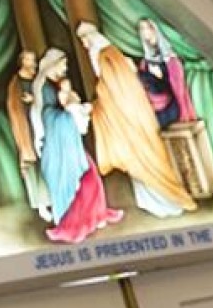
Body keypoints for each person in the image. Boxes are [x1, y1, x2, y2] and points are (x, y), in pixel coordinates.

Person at [76, 21, 197, 218]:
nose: (84, 44)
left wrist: (98, 106)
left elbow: (115, 91)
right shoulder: (108, 58)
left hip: (132, 119)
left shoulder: (108, 59)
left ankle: (166, 201)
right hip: (129, 119)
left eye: (85, 39)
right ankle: (152, 202)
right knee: (137, 161)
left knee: (146, 160)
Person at [31, 48, 122, 244]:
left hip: (69, 139)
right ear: (52, 64)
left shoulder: (56, 85)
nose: (64, 68)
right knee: (73, 181)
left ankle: (94, 215)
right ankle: (74, 221)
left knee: (91, 176)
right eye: (62, 64)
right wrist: (70, 114)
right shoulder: (45, 88)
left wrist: (76, 110)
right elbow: (47, 115)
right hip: (59, 145)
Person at [5, 49, 52, 221]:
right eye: (29, 60)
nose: (32, 63)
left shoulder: (37, 80)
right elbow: (14, 109)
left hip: (42, 125)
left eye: (33, 60)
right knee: (33, 166)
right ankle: (41, 204)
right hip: (27, 130)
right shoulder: (15, 84)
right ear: (21, 61)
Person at [136, 18, 197, 129]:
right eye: (142, 29)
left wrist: (158, 76)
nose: (145, 32)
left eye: (147, 28)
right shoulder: (145, 62)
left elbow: (177, 89)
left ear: (154, 29)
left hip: (171, 106)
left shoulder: (170, 59)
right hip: (155, 106)